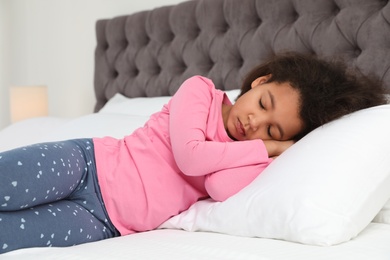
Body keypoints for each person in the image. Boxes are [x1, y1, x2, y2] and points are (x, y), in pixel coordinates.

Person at [0, 53, 386, 254]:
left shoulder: (248, 156)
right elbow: (189, 157)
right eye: (264, 103)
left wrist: (262, 153)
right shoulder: (199, 91)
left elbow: (218, 187)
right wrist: (266, 145)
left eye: (273, 130)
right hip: (87, 165)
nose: (255, 123)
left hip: (105, 223)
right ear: (259, 81)